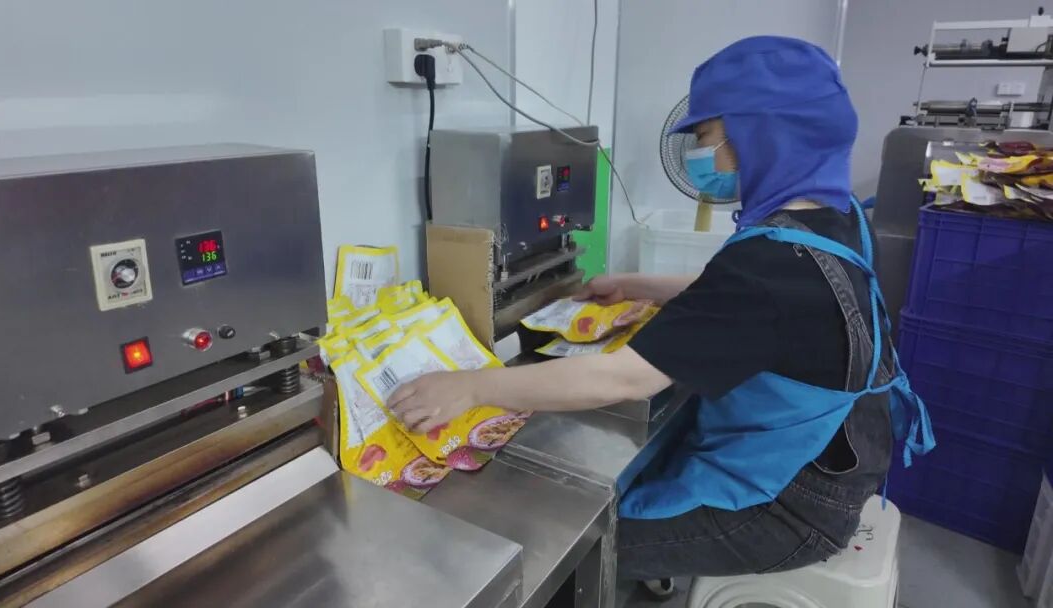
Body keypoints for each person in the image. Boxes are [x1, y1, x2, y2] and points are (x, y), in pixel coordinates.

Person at [389, 36, 933, 599]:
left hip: (789, 505)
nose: (700, 155)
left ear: (757, 133)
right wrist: (636, 286)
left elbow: (626, 379)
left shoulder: (769, 260)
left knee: (577, 537)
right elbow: (747, 301)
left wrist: (471, 386)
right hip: (842, 461)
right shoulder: (837, 217)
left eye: (706, 135)